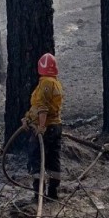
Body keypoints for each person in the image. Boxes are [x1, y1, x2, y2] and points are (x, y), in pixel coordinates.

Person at [21, 52, 64, 201]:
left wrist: (40, 126)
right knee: (53, 159)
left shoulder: (45, 83)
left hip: (46, 128)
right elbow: (38, 107)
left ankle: (38, 194)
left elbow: (42, 107)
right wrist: (27, 118)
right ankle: (53, 193)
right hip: (55, 126)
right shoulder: (55, 83)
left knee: (36, 158)